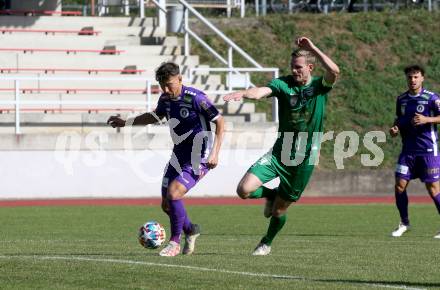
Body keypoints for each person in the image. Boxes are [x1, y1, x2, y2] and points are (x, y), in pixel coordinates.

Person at [223, 37, 340, 255]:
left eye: (299, 67)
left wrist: (312, 47)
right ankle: (270, 194)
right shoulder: (283, 84)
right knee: (244, 190)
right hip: (281, 150)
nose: (295, 71)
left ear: (310, 67)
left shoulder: (319, 86)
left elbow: (335, 71)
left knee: (279, 210)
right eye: (292, 67)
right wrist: (245, 94)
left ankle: (266, 242)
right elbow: (261, 92)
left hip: (305, 157)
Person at [108, 62, 225, 256]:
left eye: (169, 84)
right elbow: (153, 116)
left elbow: (220, 121)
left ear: (180, 79)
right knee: (166, 204)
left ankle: (174, 243)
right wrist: (125, 122)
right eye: (162, 85)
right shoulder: (166, 99)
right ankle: (191, 230)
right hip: (178, 155)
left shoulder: (196, 98)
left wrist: (215, 153)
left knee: (174, 193)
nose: (166, 89)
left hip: (200, 156)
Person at [389, 64, 440, 239]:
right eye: (410, 77)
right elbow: (399, 119)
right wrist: (395, 129)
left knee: (433, 189)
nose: (413, 80)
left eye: (416, 76)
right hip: (408, 151)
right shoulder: (402, 99)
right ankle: (404, 223)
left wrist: (428, 119)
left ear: (422, 78)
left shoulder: (432, 98)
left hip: (428, 150)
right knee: (399, 185)